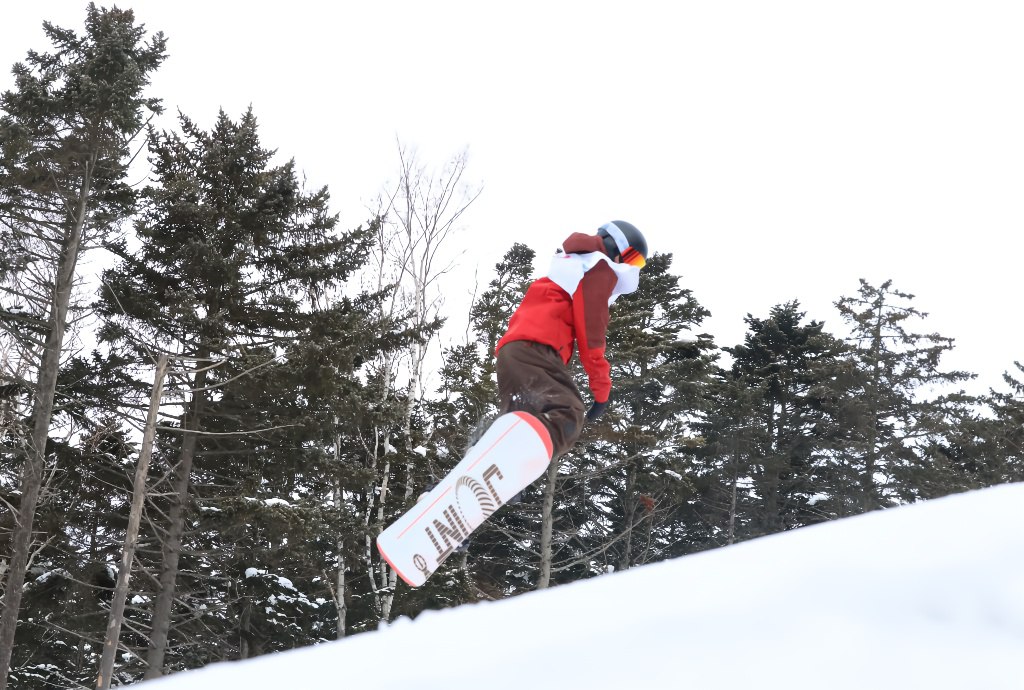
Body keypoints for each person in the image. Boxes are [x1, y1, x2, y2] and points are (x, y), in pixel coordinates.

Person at [494, 220, 648, 460]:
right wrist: (601, 390)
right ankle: (516, 461)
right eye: (632, 257)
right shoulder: (599, 268)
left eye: (637, 263)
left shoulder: (571, 263)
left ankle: (488, 467)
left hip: (512, 353)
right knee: (569, 413)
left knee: (521, 422)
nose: (630, 266)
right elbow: (592, 334)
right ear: (614, 246)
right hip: (536, 349)